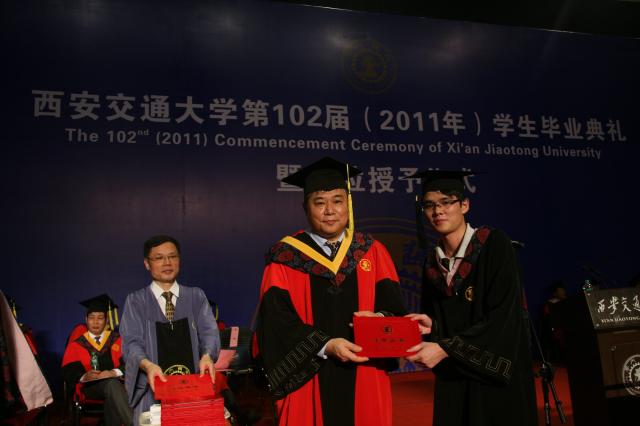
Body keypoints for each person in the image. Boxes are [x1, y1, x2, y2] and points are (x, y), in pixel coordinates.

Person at [255, 157, 407, 426]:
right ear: (306, 207)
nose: (330, 211)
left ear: (348, 205)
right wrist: (325, 345)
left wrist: (379, 320)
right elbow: (275, 323)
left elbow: (395, 312)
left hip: (365, 372)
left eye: (337, 201)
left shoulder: (371, 251)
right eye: (319, 202)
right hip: (309, 377)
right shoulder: (285, 257)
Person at [405, 170, 537, 426]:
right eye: (430, 205)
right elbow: (453, 321)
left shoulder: (494, 245)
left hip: (495, 380)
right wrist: (434, 327)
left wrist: (445, 348)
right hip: (456, 378)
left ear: (464, 205)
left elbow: (503, 318)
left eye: (446, 202)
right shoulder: (432, 263)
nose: (438, 211)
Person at [119, 235, 220, 422]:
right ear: (147, 264)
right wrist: (147, 365)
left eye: (172, 256)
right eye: (159, 258)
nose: (167, 263)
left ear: (179, 260)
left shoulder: (196, 296)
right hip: (152, 390)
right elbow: (131, 343)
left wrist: (207, 355)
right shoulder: (136, 301)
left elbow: (209, 332)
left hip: (192, 388)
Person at [61, 294, 133, 426]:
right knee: (112, 385)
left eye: (100, 318)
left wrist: (113, 372)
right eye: (92, 318)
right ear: (86, 319)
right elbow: (68, 371)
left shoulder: (117, 340)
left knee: (112, 389)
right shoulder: (77, 344)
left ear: (106, 320)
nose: (95, 322)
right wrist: (85, 376)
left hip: (118, 386)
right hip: (91, 388)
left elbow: (131, 363)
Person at [540, 280, 567, 362]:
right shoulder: (549, 304)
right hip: (553, 330)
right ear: (555, 293)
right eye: (561, 290)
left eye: (563, 290)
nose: (563, 292)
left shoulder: (567, 302)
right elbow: (548, 320)